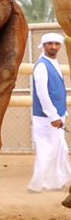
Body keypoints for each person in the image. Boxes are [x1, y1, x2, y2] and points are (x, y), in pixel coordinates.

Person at [29, 33, 70, 192]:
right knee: (46, 150)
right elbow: (42, 93)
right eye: (49, 44)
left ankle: (56, 182)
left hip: (57, 114)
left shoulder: (54, 63)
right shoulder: (42, 65)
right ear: (43, 45)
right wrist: (53, 116)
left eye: (56, 44)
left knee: (58, 149)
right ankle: (37, 185)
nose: (53, 47)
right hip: (46, 117)